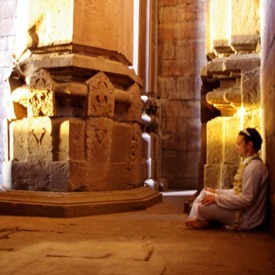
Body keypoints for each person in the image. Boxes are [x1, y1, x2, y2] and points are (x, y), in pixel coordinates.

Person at [185, 127, 269, 231]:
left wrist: (217, 198)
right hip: (241, 209)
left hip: (246, 217)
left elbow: (247, 200)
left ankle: (201, 220)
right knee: (205, 192)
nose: (236, 148)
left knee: (201, 207)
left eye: (239, 144)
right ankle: (199, 219)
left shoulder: (254, 168)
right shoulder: (249, 164)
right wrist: (216, 192)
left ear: (249, 145)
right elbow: (237, 192)